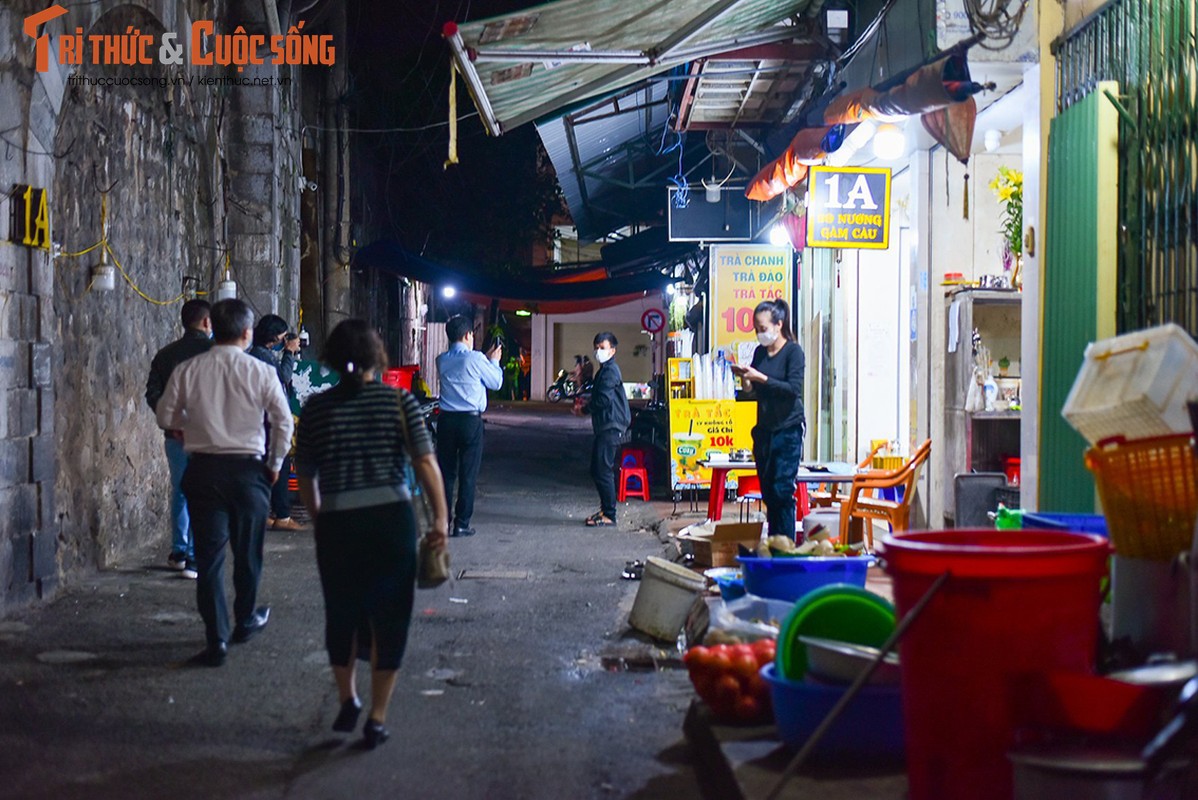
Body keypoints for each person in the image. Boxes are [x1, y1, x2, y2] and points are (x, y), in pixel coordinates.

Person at [295, 319, 449, 750]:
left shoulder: (317, 410)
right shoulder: (399, 402)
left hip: (339, 523)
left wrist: (321, 517)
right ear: (376, 356)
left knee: (342, 613)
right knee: (391, 618)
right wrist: (440, 520)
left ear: (329, 357)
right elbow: (425, 464)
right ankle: (377, 717)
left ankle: (349, 698)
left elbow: (306, 475)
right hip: (391, 523)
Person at [156, 299, 293, 667]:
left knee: (209, 559)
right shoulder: (261, 371)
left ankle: (216, 639)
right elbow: (283, 422)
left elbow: (166, 414)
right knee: (248, 552)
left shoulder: (188, 370)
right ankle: (245, 619)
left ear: (212, 327)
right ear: (248, 333)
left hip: (203, 470)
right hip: (250, 471)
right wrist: (275, 463)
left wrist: (190, 428)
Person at [145, 299, 213, 580]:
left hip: (174, 436)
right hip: (208, 436)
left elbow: (152, 393)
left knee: (181, 490)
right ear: (207, 322)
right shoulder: (216, 353)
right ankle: (195, 557)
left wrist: (172, 421)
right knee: (204, 493)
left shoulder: (165, 354)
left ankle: (179, 552)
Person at [730, 299, 806, 541]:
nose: (759, 334)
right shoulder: (760, 352)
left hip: (788, 429)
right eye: (756, 329)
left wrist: (760, 377)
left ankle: (786, 548)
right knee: (769, 492)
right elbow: (752, 393)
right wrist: (745, 379)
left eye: (763, 328)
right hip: (764, 431)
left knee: (783, 491)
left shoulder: (793, 352)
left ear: (778, 324)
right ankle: (775, 544)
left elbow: (792, 390)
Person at [435, 316, 502, 537]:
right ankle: (462, 523)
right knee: (468, 474)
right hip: (470, 421)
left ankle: (443, 522)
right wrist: (494, 361)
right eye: (472, 335)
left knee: (446, 473)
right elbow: (496, 382)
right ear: (467, 336)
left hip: (446, 421)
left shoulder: (441, 360)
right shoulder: (475, 358)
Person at [248, 314, 304, 532]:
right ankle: (282, 514)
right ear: (274, 338)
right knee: (279, 463)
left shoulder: (262, 353)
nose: (284, 340)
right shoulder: (262, 355)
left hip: (264, 417)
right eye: (282, 337)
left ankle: (270, 512)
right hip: (268, 419)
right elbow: (285, 376)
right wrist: (289, 352)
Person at [585, 332, 631, 527]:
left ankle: (610, 515)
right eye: (596, 347)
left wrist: (585, 408)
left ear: (612, 350)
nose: (598, 351)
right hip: (606, 425)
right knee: (596, 469)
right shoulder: (604, 370)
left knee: (603, 470)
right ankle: (605, 509)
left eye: (602, 348)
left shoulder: (610, 371)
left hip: (611, 426)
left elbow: (604, 400)